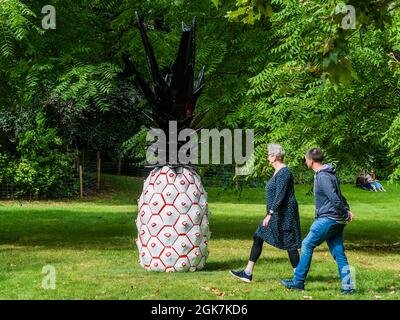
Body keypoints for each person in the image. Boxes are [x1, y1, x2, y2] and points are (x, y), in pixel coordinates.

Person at [280, 147, 356, 294]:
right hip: (336, 220)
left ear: (311, 160)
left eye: (306, 159)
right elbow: (339, 195)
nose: (305, 161)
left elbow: (334, 198)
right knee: (338, 252)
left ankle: (298, 282)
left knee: (307, 244)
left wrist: (345, 212)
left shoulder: (323, 176)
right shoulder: (329, 174)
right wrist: (346, 210)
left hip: (328, 218)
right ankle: (349, 287)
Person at [229, 144, 302, 283]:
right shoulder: (278, 172)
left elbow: (280, 195)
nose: (268, 157)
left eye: (269, 155)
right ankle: (248, 272)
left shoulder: (284, 172)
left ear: (275, 157)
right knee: (258, 236)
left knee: (290, 245)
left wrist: (270, 214)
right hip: (277, 214)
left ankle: (298, 278)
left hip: (285, 214)